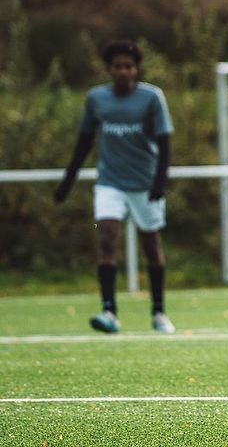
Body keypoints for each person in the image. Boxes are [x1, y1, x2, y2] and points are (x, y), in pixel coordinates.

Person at [54, 39, 175, 334]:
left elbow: (164, 141)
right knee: (106, 237)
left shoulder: (151, 98)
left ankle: (158, 313)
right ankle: (109, 311)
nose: (123, 71)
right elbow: (84, 141)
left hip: (145, 183)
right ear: (109, 69)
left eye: (128, 66)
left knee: (151, 247)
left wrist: (161, 181)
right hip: (110, 182)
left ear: (136, 69)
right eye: (118, 66)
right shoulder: (97, 99)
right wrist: (68, 181)